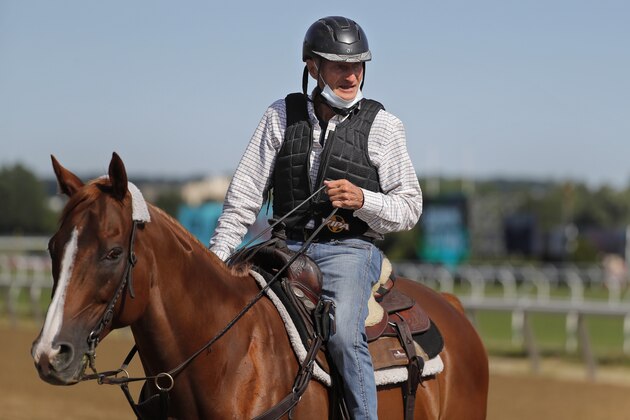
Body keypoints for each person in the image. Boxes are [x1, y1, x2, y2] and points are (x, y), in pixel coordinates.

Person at [209, 16, 422, 419]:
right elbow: (243, 197)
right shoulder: (279, 115)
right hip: (281, 248)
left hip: (350, 252)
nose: (351, 74)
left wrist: (363, 200)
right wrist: (216, 262)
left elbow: (411, 207)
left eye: (358, 65)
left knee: (342, 334)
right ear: (312, 66)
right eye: (340, 64)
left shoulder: (385, 127)